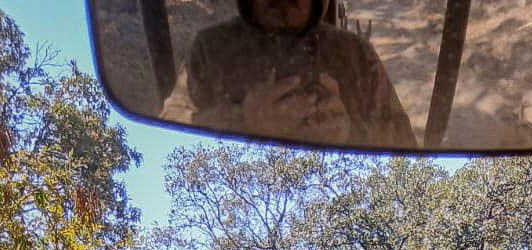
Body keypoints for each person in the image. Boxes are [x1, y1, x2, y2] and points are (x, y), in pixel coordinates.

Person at [163, 0, 416, 148]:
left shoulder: (355, 55)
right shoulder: (211, 49)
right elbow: (168, 133)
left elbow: (406, 143)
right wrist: (243, 120)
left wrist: (350, 132)